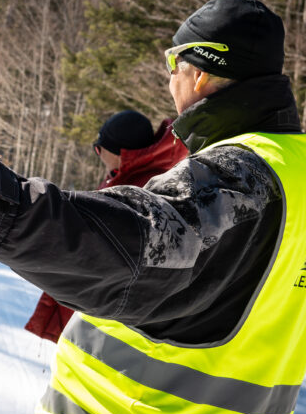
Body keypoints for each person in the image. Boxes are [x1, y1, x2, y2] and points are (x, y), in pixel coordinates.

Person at [0, 0, 306, 414]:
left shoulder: (243, 172)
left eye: (172, 63)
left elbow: (143, 242)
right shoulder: (304, 176)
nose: (170, 78)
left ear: (196, 72)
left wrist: (6, 212)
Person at [24, 110, 188, 343]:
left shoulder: (134, 189)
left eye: (99, 147)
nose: (97, 153)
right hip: (100, 313)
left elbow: (91, 253)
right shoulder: (131, 178)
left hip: (104, 323)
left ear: (120, 152)